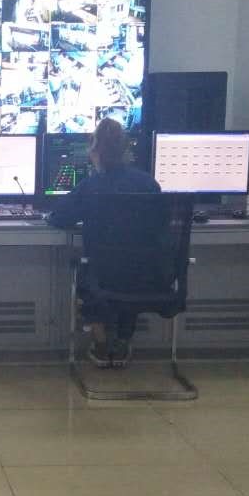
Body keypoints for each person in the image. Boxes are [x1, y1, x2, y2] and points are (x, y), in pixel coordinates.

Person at [46, 117, 161, 367]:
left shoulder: (91, 186)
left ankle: (101, 344)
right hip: (145, 275)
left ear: (95, 151)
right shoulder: (149, 184)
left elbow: (59, 218)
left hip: (99, 275)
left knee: (89, 274)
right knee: (129, 275)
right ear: (126, 149)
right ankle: (122, 343)